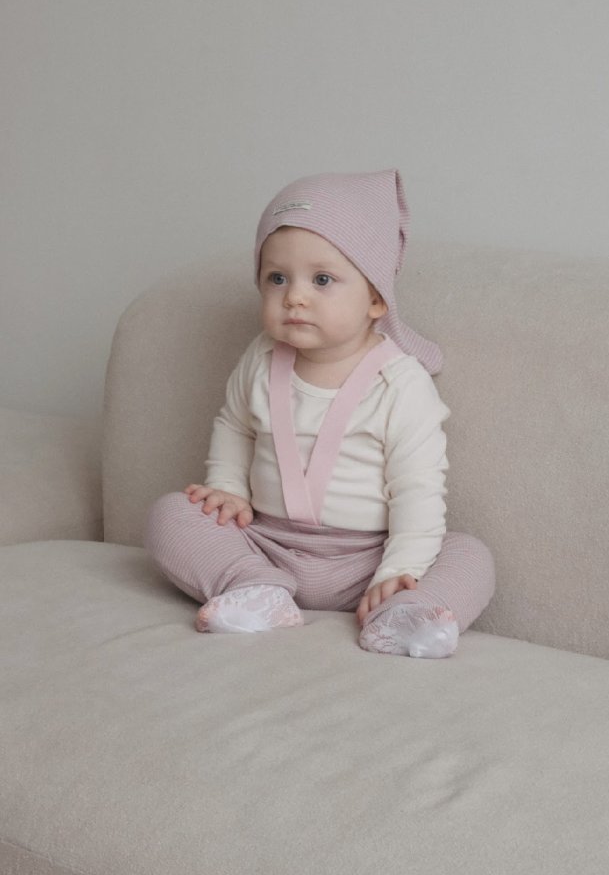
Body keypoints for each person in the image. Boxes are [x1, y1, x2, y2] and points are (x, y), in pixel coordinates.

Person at [146, 170, 495, 658]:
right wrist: (227, 488)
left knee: (470, 555)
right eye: (277, 278)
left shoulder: (400, 383)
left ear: (376, 298)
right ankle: (254, 589)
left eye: (322, 280)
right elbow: (235, 424)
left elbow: (417, 487)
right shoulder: (260, 358)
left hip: (366, 560)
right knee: (171, 513)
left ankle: (404, 613)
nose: (295, 296)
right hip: (266, 544)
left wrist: (400, 570)